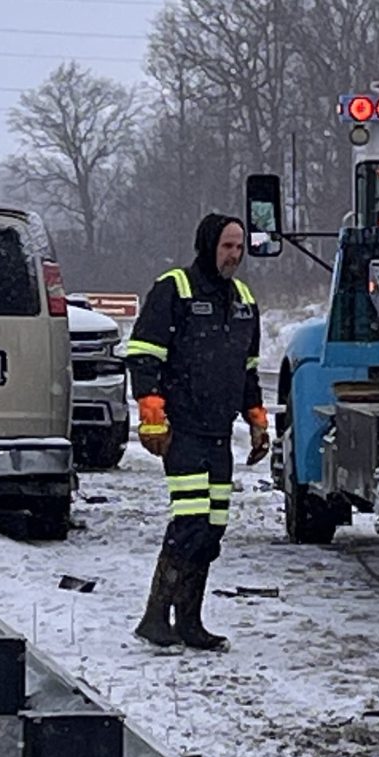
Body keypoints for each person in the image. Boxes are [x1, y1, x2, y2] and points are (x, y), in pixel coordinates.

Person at [124, 213, 269, 650]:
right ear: (208, 246)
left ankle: (189, 620)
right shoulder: (175, 289)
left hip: (219, 433)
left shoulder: (244, 300)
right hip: (182, 429)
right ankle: (156, 616)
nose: (235, 256)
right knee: (189, 521)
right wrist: (152, 410)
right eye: (227, 246)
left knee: (211, 528)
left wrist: (258, 420)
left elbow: (247, 370)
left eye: (240, 247)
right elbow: (143, 353)